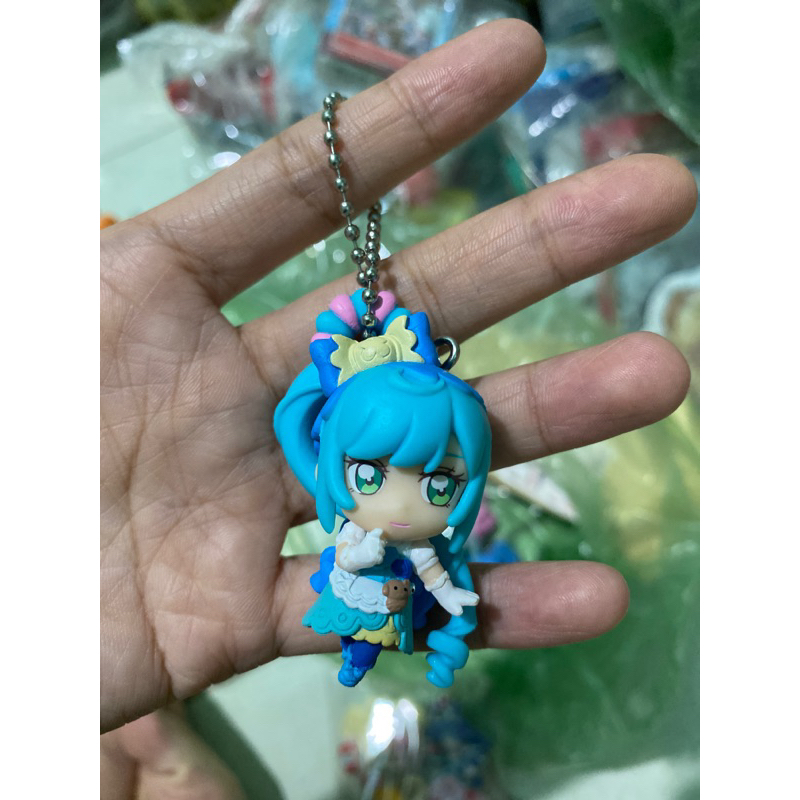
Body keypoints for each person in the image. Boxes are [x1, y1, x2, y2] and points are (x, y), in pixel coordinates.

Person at [100, 18, 696, 796]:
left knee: (422, 621)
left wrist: (448, 599)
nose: (407, 503)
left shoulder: (426, 542)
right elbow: (341, 526)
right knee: (361, 626)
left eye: (440, 484)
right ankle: (363, 651)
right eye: (372, 477)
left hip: (400, 594)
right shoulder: (349, 523)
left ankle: (394, 650)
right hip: (360, 592)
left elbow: (442, 580)